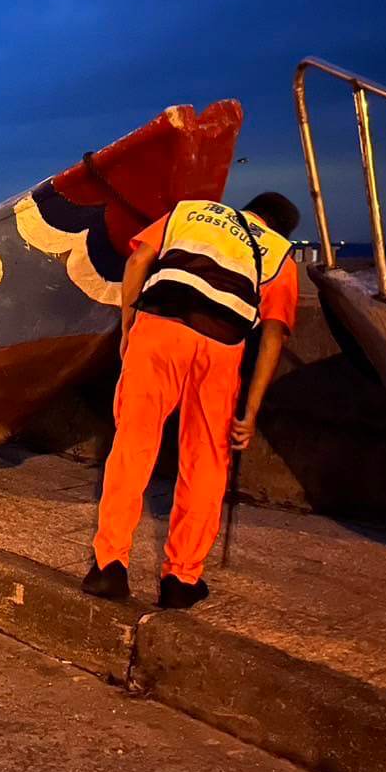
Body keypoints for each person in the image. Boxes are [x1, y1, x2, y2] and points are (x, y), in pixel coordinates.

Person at [82, 192, 301, 609]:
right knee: (205, 461)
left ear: (247, 208)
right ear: (281, 228)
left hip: (160, 327)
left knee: (133, 445)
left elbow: (136, 262)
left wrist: (129, 327)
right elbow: (273, 335)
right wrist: (250, 411)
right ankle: (181, 580)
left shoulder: (190, 212)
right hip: (220, 345)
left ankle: (110, 567)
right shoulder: (280, 254)